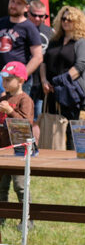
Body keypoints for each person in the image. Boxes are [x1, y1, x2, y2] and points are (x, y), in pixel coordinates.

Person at [40, 6, 85, 150]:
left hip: (71, 91)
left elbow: (80, 66)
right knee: (52, 124)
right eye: (63, 18)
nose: (66, 22)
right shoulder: (54, 40)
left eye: (70, 19)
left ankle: (71, 161)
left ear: (77, 22)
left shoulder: (82, 42)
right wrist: (44, 80)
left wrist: (60, 81)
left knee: (70, 128)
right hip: (50, 89)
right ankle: (51, 156)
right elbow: (43, 63)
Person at [0, 62, 34, 225]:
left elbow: (25, 123)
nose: (4, 83)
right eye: (3, 79)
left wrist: (10, 111)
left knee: (20, 186)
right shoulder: (3, 98)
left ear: (20, 80)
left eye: (8, 79)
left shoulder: (25, 100)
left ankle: (27, 219)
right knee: (1, 187)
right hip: (3, 149)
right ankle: (2, 217)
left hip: (19, 151)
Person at [0, 0, 42, 95]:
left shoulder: (29, 27)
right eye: (12, 1)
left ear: (26, 8)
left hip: (17, 81)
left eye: (18, 3)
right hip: (1, 77)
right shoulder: (2, 22)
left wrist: (20, 77)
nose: (13, 5)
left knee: (15, 111)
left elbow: (38, 57)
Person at [27, 0, 53, 144]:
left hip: (40, 84)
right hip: (21, 81)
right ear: (27, 13)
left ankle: (35, 148)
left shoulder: (50, 33)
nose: (38, 19)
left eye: (42, 16)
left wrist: (47, 80)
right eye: (34, 15)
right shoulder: (22, 27)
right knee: (19, 117)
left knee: (36, 118)